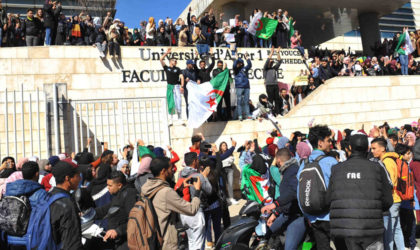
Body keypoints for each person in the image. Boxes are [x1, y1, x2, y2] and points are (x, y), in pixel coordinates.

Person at [327, 134, 393, 249]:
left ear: (349, 148)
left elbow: (328, 199)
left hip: (344, 230)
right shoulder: (377, 168)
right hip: (371, 229)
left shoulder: (337, 169)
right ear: (368, 148)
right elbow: (388, 200)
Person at [141, 157, 201, 250]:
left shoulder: (146, 187)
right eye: (170, 168)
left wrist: (179, 190)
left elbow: (162, 202)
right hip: (166, 241)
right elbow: (191, 210)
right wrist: (197, 192)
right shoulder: (166, 192)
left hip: (153, 238)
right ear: (163, 171)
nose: (173, 170)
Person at [297, 125, 338, 249]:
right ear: (320, 143)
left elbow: (299, 193)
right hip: (331, 216)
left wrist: (308, 215)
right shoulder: (330, 161)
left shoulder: (303, 164)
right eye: (328, 140)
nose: (331, 143)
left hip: (313, 218)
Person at [260, 148, 306, 249]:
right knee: (267, 236)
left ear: (279, 161)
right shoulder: (287, 171)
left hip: (297, 216)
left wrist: (274, 204)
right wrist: (275, 213)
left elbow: (294, 192)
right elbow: (287, 199)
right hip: (287, 213)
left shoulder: (293, 171)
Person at [370, 137, 405, 250]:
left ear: (383, 148)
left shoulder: (387, 162)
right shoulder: (390, 159)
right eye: (371, 148)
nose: (372, 151)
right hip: (396, 199)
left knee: (388, 234)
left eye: (374, 148)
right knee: (397, 230)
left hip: (392, 200)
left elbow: (389, 184)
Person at [5, 161, 49, 249]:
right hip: (30, 239)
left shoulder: (10, 190)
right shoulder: (41, 194)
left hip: (10, 238)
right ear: (37, 174)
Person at [91, 171, 137, 250]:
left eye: (110, 185)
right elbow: (105, 209)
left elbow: (134, 220)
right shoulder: (118, 194)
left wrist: (118, 231)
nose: (108, 187)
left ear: (119, 185)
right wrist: (89, 213)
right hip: (115, 240)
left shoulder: (129, 195)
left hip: (126, 241)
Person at [178, 152, 212, 250]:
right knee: (198, 244)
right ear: (194, 161)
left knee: (191, 241)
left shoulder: (180, 173)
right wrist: (204, 176)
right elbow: (209, 190)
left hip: (184, 211)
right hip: (196, 212)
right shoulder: (198, 176)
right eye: (197, 159)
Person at [50, 160, 83, 250]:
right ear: (67, 178)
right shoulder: (67, 205)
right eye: (77, 176)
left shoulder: (48, 196)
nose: (80, 179)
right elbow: (72, 242)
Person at [160, 48, 185, 123]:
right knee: (170, 102)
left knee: (178, 101)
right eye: (175, 61)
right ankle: (170, 119)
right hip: (170, 86)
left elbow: (181, 77)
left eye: (176, 61)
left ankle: (180, 118)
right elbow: (161, 59)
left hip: (176, 86)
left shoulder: (178, 69)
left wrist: (182, 86)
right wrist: (166, 53)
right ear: (171, 61)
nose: (176, 62)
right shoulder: (166, 68)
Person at [233, 54, 252, 121]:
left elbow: (249, 65)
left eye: (240, 63)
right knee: (239, 102)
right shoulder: (235, 70)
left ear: (242, 63)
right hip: (239, 87)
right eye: (238, 63)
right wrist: (236, 59)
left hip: (246, 86)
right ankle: (240, 115)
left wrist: (247, 58)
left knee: (246, 101)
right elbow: (234, 65)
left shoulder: (244, 69)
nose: (238, 64)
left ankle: (248, 115)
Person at [263, 47, 282, 116]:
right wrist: (272, 52)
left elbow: (280, 61)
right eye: (271, 61)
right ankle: (271, 113)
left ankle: (278, 112)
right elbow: (268, 60)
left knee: (277, 99)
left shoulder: (274, 68)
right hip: (269, 85)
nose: (271, 62)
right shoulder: (265, 68)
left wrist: (277, 53)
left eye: (272, 61)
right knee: (270, 100)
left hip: (275, 85)